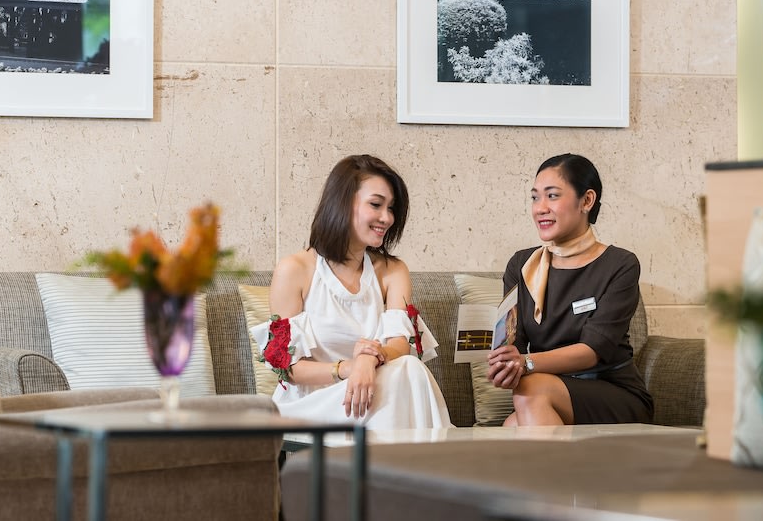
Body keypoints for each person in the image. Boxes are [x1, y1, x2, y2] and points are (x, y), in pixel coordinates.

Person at [251, 154, 452, 429]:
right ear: (343, 203)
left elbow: (400, 345)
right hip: (313, 406)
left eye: (391, 208)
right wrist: (350, 368)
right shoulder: (295, 270)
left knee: (410, 369)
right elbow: (289, 368)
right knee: (409, 374)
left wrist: (369, 358)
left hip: (374, 398)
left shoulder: (393, 271)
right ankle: (419, 467)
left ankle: (387, 468)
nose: (387, 218)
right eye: (376, 205)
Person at [486, 153, 653, 426]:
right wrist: (504, 364)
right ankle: (565, 469)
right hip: (546, 392)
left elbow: (591, 350)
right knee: (511, 426)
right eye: (535, 197)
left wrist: (525, 364)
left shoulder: (620, 264)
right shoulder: (521, 265)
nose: (540, 208)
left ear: (587, 200)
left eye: (552, 196)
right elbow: (512, 343)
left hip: (612, 392)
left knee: (530, 390)